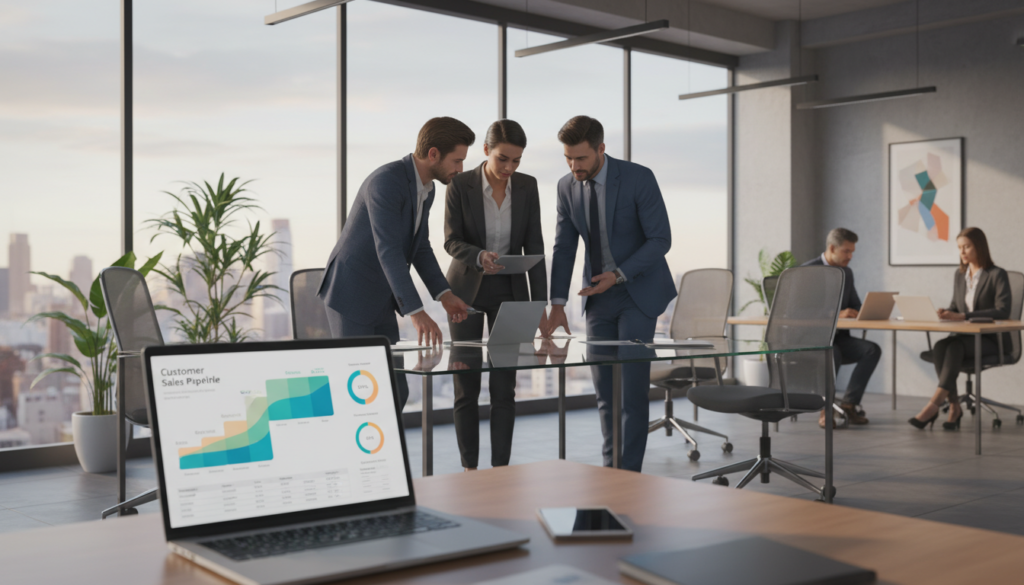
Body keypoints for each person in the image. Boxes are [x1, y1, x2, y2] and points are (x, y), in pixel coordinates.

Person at [541, 116, 675, 473]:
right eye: (568, 158)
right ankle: (610, 471)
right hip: (597, 297)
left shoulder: (637, 177)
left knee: (631, 392)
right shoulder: (566, 187)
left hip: (637, 291)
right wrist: (557, 303)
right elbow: (564, 247)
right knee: (605, 394)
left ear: (601, 149)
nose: (574, 166)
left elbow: (661, 239)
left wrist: (617, 275)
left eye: (581, 158)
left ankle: (627, 476)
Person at [317, 117, 472, 410]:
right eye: (457, 160)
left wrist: (445, 295)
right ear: (433, 154)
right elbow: (388, 249)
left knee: (394, 392)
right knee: (359, 396)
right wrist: (415, 311)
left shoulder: (427, 189)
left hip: (381, 296)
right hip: (351, 295)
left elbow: (420, 247)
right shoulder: (386, 182)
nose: (460, 169)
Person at [443, 119, 547, 471]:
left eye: (516, 161)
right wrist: (479, 255)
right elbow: (451, 239)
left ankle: (500, 470)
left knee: (505, 390)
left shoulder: (527, 186)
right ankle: (470, 470)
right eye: (503, 159)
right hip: (465, 293)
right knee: (466, 387)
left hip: (512, 292)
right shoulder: (460, 184)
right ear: (486, 151)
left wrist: (540, 304)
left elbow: (536, 246)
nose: (509, 168)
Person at [909, 227, 1011, 431]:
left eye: (966, 247)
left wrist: (964, 316)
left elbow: (1003, 311)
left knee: (953, 347)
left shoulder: (997, 274)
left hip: (990, 339)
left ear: (979, 247)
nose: (962, 252)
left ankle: (935, 403)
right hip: (964, 337)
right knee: (940, 347)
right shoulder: (960, 274)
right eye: (959, 248)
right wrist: (946, 313)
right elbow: (957, 307)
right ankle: (955, 407)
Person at [802, 228, 881, 428]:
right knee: (832, 352)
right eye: (846, 251)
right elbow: (801, 311)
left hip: (839, 337)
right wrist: (836, 314)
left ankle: (848, 405)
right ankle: (825, 409)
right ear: (832, 248)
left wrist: (858, 311)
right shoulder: (807, 271)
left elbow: (855, 303)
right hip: (812, 340)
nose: (850, 256)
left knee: (872, 350)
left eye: (852, 251)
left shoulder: (846, 272)